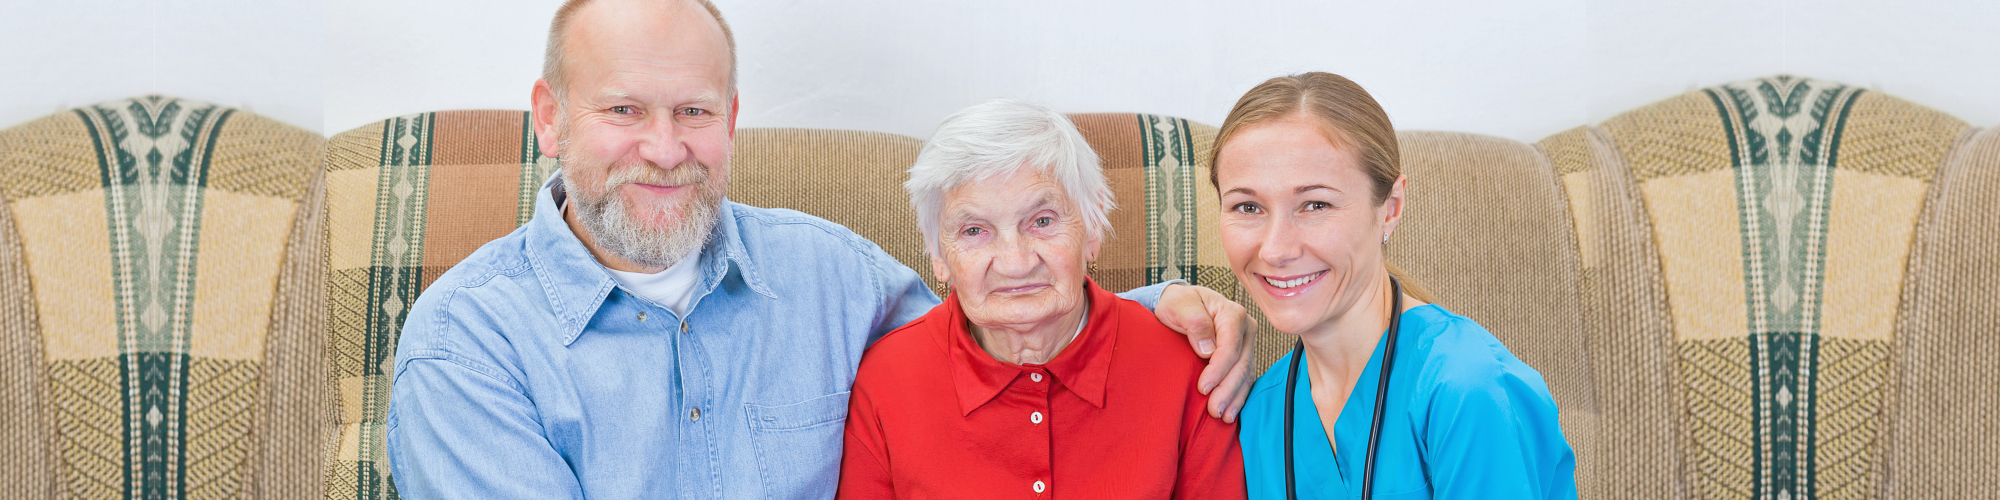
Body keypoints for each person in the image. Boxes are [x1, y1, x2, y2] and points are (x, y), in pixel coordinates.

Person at [384, 1, 1259, 498]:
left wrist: (1170, 316)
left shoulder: (832, 277)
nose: (663, 147)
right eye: (624, 111)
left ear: (729, 122)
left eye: (692, 111)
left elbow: (992, 332)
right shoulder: (468, 345)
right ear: (549, 118)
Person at [837, 100, 1248, 499]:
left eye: (1042, 221)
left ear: (1092, 229)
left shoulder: (1186, 367)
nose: (1015, 263)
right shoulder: (885, 381)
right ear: (939, 256)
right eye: (974, 231)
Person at [1215, 72, 1577, 499]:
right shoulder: (1261, 411)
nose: (1275, 250)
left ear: (1391, 208)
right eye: (1248, 206)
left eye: (1315, 204)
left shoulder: (1468, 390)